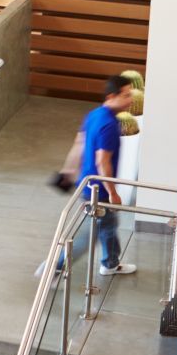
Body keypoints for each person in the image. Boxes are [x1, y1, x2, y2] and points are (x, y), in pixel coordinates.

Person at [43, 73, 138, 279]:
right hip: (98, 190)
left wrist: (68, 172)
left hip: (86, 184)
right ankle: (53, 268)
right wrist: (113, 192)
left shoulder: (94, 114)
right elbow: (102, 161)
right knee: (88, 236)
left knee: (109, 225)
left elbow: (78, 145)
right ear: (112, 96)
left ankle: (111, 262)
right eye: (126, 95)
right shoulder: (110, 126)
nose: (130, 100)